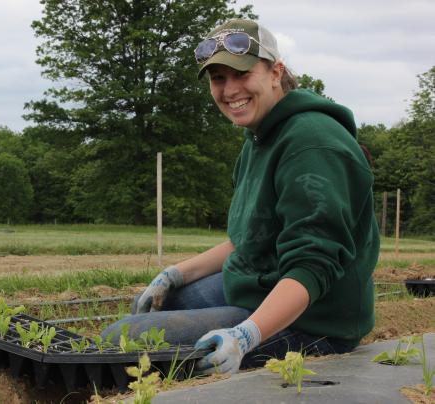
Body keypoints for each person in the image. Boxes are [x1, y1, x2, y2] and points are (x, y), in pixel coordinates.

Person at [101, 18, 380, 375]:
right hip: (262, 282)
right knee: (161, 303)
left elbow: (313, 265)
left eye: (242, 74)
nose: (229, 89)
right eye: (218, 78)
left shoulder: (312, 143)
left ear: (275, 72)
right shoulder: (259, 138)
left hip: (314, 320)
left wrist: (247, 335)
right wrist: (174, 274)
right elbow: (249, 239)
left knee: (124, 335)